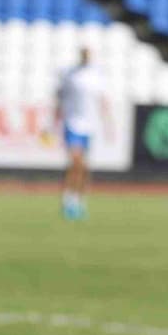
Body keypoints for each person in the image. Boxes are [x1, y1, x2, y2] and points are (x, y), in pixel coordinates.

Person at [53, 47, 111, 220]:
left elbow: (102, 100)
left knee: (84, 168)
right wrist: (55, 121)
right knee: (75, 163)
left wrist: (108, 123)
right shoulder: (71, 75)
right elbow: (60, 98)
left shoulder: (96, 76)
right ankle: (68, 200)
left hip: (89, 126)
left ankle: (79, 201)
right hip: (72, 123)